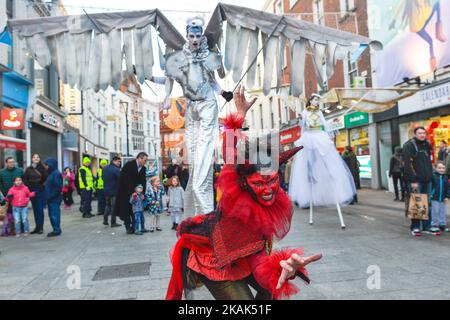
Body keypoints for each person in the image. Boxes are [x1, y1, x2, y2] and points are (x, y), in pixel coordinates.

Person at [166, 86, 322, 300]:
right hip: (216, 260)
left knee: (271, 287)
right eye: (259, 183)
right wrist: (237, 119)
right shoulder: (234, 197)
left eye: (273, 181)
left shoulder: (271, 206)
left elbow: (258, 258)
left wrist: (281, 268)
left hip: (245, 257)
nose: (268, 190)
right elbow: (230, 154)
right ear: (244, 182)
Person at [150, 17, 233, 216]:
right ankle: (199, 214)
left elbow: (212, 81)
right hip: (191, 109)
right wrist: (149, 77)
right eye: (191, 36)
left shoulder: (206, 56)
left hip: (207, 106)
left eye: (198, 35)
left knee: (204, 157)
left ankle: (206, 214)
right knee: (195, 159)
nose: (195, 39)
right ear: (187, 36)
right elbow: (168, 79)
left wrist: (223, 93)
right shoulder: (179, 59)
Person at [289, 94, 356, 209]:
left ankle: (337, 192)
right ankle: (307, 192)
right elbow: (303, 127)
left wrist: (330, 131)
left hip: (319, 134)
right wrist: (301, 122)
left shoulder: (319, 112)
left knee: (329, 160)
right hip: (309, 135)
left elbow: (324, 123)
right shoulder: (305, 112)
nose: (316, 102)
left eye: (317, 100)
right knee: (308, 162)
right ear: (310, 101)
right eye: (315, 100)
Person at [403, 126, 435, 237]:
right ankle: (415, 227)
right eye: (420, 133)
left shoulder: (427, 145)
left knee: (427, 203)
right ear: (415, 134)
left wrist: (431, 177)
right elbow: (407, 164)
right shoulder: (409, 146)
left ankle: (426, 226)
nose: (422, 135)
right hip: (416, 180)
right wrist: (413, 180)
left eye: (424, 133)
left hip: (427, 180)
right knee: (417, 204)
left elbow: (430, 163)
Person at [113, 152, 148, 234]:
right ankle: (128, 227)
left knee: (135, 210)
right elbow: (126, 180)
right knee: (126, 210)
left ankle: (135, 227)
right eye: (144, 160)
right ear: (139, 158)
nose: (145, 162)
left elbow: (143, 181)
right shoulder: (129, 165)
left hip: (137, 192)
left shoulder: (143, 168)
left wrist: (143, 193)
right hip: (125, 191)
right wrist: (132, 191)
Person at [23, 154, 48, 234]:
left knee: (40, 209)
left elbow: (45, 179)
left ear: (39, 159)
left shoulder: (43, 168)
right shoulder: (28, 169)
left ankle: (40, 228)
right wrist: (30, 188)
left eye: (37, 157)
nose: (36, 158)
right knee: (35, 209)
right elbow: (25, 180)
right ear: (31, 159)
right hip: (31, 191)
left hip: (40, 190)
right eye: (34, 157)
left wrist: (39, 185)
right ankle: (37, 227)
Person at [0, 157, 24, 235]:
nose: (12, 163)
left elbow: (24, 181)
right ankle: (8, 230)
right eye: (10, 162)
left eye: (13, 162)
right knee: (8, 213)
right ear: (6, 163)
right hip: (7, 196)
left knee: (18, 212)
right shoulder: (1, 172)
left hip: (18, 196)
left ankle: (19, 229)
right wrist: (4, 193)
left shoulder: (19, 171)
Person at [44, 158, 63, 237]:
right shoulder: (51, 173)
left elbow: (58, 187)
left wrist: (50, 196)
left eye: (46, 165)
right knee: (52, 214)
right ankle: (56, 229)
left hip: (54, 198)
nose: (45, 167)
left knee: (54, 214)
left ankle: (56, 230)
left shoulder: (55, 174)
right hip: (51, 198)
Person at [430, 161, 450, 233]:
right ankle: (434, 225)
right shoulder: (433, 176)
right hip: (434, 197)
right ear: (435, 168)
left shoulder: (446, 177)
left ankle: (442, 224)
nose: (441, 169)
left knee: (443, 211)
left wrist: (447, 196)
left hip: (443, 198)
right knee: (435, 212)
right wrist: (431, 194)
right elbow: (431, 187)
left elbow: (448, 188)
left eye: (443, 168)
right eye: (439, 168)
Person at [102, 156, 122, 228]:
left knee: (107, 205)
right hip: (114, 190)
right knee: (114, 206)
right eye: (118, 161)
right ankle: (113, 222)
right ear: (114, 161)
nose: (119, 163)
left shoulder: (105, 168)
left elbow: (102, 178)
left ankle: (105, 220)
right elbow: (120, 179)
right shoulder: (116, 169)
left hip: (106, 190)